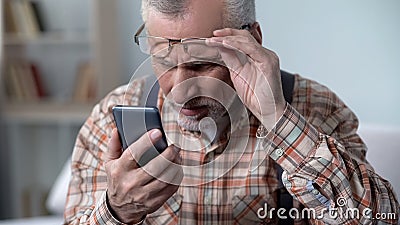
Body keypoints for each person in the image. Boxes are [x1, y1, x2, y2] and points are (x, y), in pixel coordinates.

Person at [64, 0, 399, 224]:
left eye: (202, 63)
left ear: (251, 41)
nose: (180, 87)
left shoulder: (316, 107)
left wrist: (279, 119)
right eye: (163, 61)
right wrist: (115, 211)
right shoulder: (114, 115)